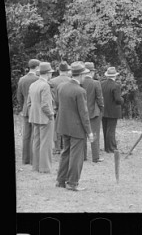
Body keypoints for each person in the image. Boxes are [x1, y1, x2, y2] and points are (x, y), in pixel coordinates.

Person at [55, 62, 93, 191]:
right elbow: (84, 114)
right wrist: (89, 132)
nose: (85, 76)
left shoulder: (61, 87)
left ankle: (60, 181)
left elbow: (58, 105)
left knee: (65, 153)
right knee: (76, 156)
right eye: (85, 74)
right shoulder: (80, 91)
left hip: (63, 125)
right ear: (81, 75)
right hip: (76, 128)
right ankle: (72, 183)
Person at [25, 62, 56, 173]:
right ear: (47, 74)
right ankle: (45, 168)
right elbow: (45, 105)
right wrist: (51, 115)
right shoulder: (45, 86)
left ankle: (36, 166)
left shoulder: (33, 85)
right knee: (45, 143)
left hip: (34, 117)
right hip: (45, 118)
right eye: (51, 73)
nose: (51, 75)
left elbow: (29, 103)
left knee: (36, 142)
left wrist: (33, 113)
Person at [16, 59, 41, 165]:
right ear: (36, 67)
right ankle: (34, 159)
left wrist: (23, 107)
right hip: (36, 109)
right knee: (36, 134)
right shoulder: (38, 79)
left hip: (26, 109)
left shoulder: (22, 79)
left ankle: (25, 159)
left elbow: (19, 96)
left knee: (26, 135)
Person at [81, 62, 104, 163]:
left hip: (81, 112)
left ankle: (83, 156)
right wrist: (102, 109)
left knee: (82, 135)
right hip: (94, 112)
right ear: (91, 72)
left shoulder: (80, 82)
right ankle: (95, 157)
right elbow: (99, 99)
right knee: (94, 134)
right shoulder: (96, 83)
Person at [49, 61, 71, 154]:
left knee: (56, 128)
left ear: (59, 70)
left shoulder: (52, 81)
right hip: (68, 108)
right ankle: (66, 146)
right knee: (67, 127)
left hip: (56, 107)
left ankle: (57, 148)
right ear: (67, 70)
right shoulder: (71, 80)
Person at [101, 66, 124, 153]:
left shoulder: (101, 84)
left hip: (104, 109)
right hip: (113, 111)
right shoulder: (116, 85)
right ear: (115, 76)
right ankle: (111, 148)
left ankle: (107, 147)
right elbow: (118, 99)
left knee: (105, 129)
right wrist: (123, 100)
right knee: (111, 130)